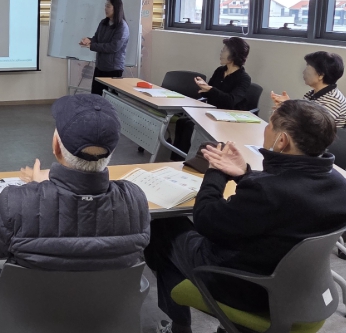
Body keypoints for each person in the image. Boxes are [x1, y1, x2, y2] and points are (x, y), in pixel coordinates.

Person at [146, 99, 346, 333]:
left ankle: (179, 326)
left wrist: (215, 172)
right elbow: (281, 206)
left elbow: (205, 221)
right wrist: (244, 174)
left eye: (270, 124)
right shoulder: (338, 184)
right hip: (301, 286)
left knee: (162, 228)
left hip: (247, 287)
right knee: (173, 243)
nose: (266, 129)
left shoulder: (269, 191)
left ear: (282, 140)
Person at [0, 94, 150, 333]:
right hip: (101, 310)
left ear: (56, 146)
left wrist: (39, 190)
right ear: (111, 152)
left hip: (34, 311)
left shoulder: (16, 201)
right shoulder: (135, 200)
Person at [172, 37, 252, 159]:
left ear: (234, 54)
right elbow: (209, 92)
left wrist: (210, 89)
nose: (221, 53)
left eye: (224, 50)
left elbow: (231, 100)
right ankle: (176, 158)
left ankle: (187, 160)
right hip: (212, 113)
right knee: (182, 121)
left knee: (190, 126)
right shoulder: (220, 71)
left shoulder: (244, 78)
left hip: (228, 118)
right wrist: (204, 88)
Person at [271, 51, 346, 128]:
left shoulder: (333, 100)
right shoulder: (312, 94)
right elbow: (302, 117)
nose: (304, 72)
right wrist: (286, 106)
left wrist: (288, 107)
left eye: (308, 68)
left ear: (320, 75)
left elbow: (312, 129)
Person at [80, 0, 129, 96]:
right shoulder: (103, 22)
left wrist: (92, 45)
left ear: (116, 8)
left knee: (110, 99)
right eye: (105, 6)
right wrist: (89, 40)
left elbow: (113, 47)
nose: (105, 9)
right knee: (96, 96)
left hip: (113, 69)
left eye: (108, 6)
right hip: (100, 67)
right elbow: (97, 38)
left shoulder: (122, 27)